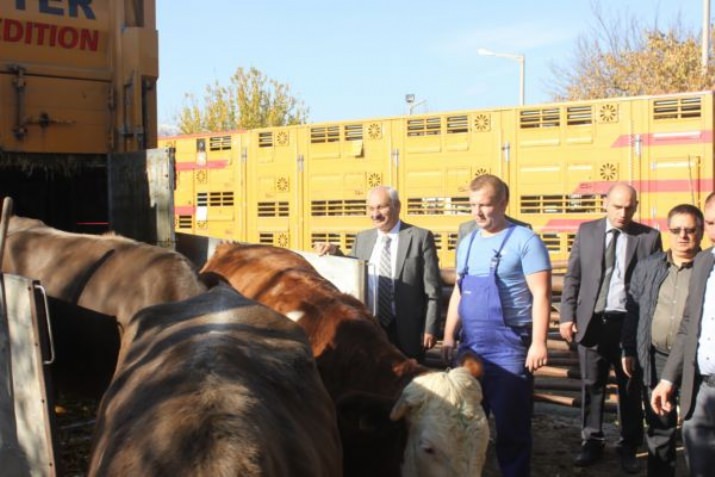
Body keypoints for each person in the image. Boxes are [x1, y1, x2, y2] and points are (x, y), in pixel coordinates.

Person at [441, 174, 551, 477]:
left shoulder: (525, 241)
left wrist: (538, 342)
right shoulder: (468, 242)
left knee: (511, 430)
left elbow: (541, 294)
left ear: (503, 203)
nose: (477, 213)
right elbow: (460, 292)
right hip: (471, 347)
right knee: (464, 424)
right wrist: (449, 335)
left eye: (485, 205)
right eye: (473, 205)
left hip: (510, 348)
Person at [560, 183, 662, 473]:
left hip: (628, 325)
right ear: (605, 203)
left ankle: (629, 444)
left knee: (630, 389)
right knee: (592, 385)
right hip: (593, 323)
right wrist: (567, 314)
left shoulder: (649, 238)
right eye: (617, 206)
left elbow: (653, 287)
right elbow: (573, 276)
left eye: (629, 207)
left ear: (637, 206)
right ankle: (591, 440)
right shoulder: (587, 231)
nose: (623, 213)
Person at [313, 186, 442, 361]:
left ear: (397, 206)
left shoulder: (420, 238)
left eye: (381, 207)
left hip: (408, 331)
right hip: (371, 328)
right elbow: (353, 268)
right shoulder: (362, 238)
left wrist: (430, 329)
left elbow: (432, 290)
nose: (375, 214)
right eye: (371, 208)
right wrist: (334, 251)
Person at [621, 204, 703, 477]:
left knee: (697, 430)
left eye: (690, 230)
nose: (683, 236)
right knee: (659, 428)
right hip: (656, 357)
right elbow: (633, 310)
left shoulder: (708, 270)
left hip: (696, 362)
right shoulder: (649, 267)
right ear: (668, 232)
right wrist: (629, 349)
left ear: (700, 231)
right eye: (677, 230)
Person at [651, 192, 715, 477]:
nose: (714, 232)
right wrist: (667, 378)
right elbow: (689, 325)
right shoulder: (703, 263)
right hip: (701, 389)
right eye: (712, 223)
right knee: (699, 465)